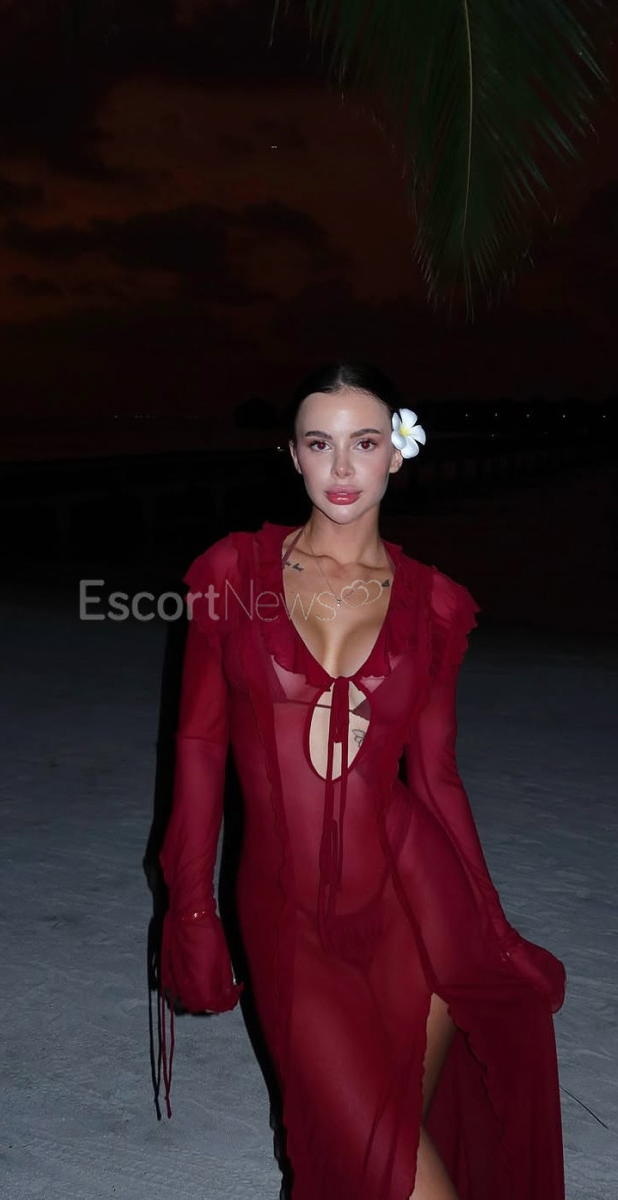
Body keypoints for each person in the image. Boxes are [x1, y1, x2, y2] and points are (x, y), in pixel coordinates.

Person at [155, 363, 567, 1200]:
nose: (342, 469)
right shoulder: (234, 576)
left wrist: (490, 926)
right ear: (293, 455)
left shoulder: (435, 605)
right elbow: (196, 748)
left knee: (365, 1164)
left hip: (414, 907)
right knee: (378, 1162)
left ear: (397, 454)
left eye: (365, 443)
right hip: (287, 915)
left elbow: (438, 778)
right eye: (321, 444)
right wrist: (190, 908)